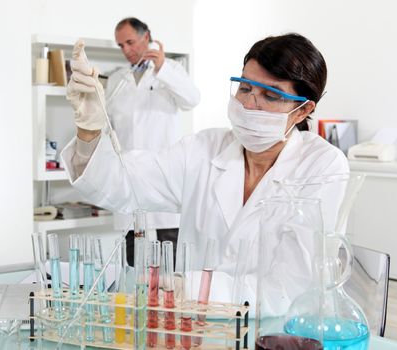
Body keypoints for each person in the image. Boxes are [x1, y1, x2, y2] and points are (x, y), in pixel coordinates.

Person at [63, 33, 348, 308]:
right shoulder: (204, 149)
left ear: (301, 111)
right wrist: (89, 129)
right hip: (195, 327)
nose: (248, 103)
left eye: (270, 96)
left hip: (274, 333)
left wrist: (195, 288)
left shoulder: (323, 166)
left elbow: (292, 286)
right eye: (245, 87)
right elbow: (123, 182)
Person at [105, 17, 200, 265]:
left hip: (162, 176)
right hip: (129, 178)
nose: (126, 50)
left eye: (130, 42)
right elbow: (109, 127)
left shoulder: (170, 71)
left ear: (147, 37)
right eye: (121, 45)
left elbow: (191, 99)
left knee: (170, 258)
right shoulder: (116, 80)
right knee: (133, 257)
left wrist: (162, 69)